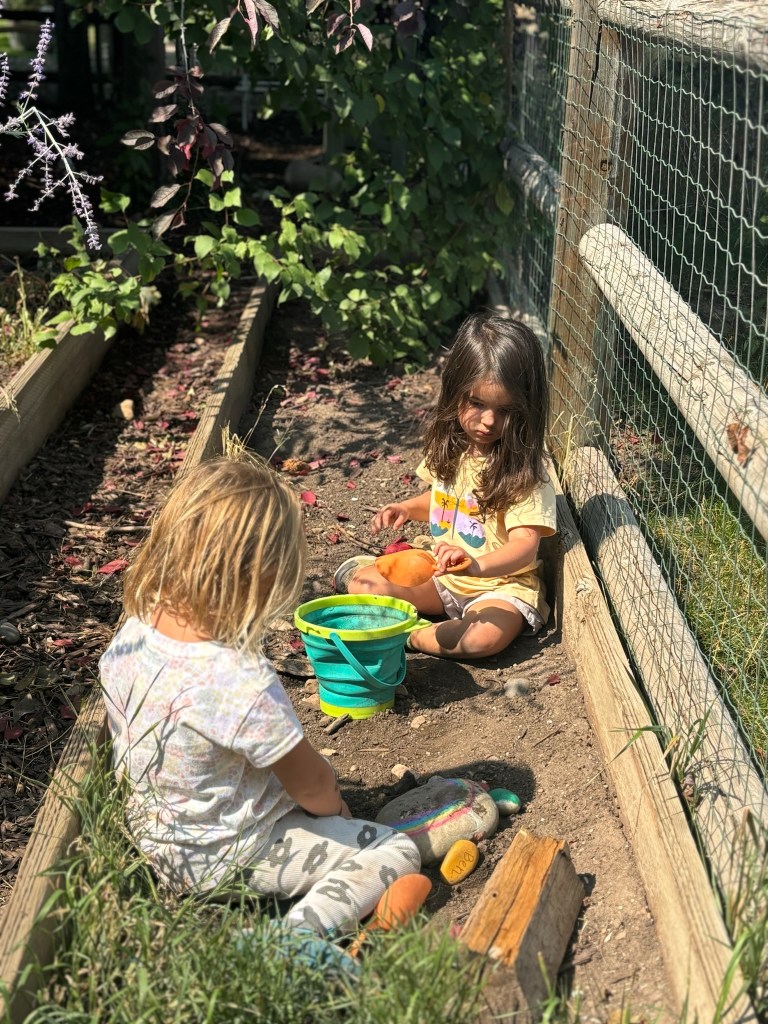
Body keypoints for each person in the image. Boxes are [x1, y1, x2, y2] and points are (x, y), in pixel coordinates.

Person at [100, 454, 421, 973]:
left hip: (157, 839)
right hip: (230, 853)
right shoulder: (238, 678)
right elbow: (313, 786)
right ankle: (292, 940)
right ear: (261, 578)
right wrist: (335, 810)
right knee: (395, 851)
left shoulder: (135, 630)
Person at [334, 313, 557, 660]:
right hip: (442, 578)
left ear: (527, 407)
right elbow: (441, 499)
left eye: (506, 410)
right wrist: (406, 508)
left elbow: (524, 546)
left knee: (481, 639)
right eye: (477, 403)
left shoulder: (523, 472)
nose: (488, 421)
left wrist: (476, 566)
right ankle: (382, 590)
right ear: (455, 392)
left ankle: (409, 635)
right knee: (363, 583)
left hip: (499, 587)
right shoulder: (454, 449)